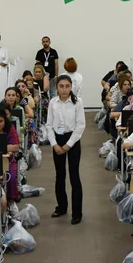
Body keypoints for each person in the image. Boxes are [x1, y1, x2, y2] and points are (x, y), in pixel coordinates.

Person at [46, 73, 86, 223]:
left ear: (71, 87)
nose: (64, 89)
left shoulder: (78, 102)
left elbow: (80, 125)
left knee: (74, 175)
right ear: (57, 87)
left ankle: (77, 212)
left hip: (73, 140)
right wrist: (54, 144)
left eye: (67, 86)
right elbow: (49, 125)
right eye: (61, 86)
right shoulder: (53, 102)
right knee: (60, 175)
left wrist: (68, 145)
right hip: (58, 139)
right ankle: (61, 207)